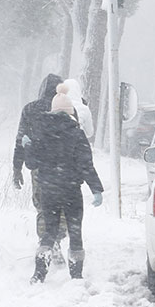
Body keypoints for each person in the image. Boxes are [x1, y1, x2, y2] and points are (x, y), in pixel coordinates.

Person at [26, 83, 104, 282]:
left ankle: (39, 273)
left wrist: (28, 147)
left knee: (49, 232)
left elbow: (31, 164)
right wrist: (96, 189)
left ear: (52, 110)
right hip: (71, 191)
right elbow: (86, 164)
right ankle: (76, 275)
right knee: (75, 232)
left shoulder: (41, 133)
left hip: (48, 191)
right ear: (71, 112)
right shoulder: (76, 133)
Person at [13, 73, 67, 257]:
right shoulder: (67, 108)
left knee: (43, 205)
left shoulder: (30, 109)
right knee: (63, 203)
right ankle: (57, 239)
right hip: (64, 167)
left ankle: (46, 243)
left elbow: (20, 139)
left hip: (38, 166)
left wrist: (16, 168)